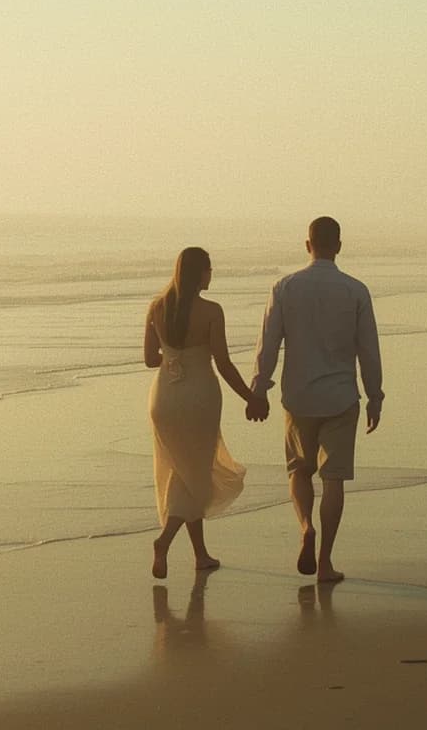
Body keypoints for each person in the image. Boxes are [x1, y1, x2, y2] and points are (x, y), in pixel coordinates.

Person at [246, 217, 383, 583]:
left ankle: (306, 526)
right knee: (333, 480)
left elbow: (268, 344)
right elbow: (368, 349)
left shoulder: (285, 287)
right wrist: (375, 396)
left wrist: (259, 391)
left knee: (299, 470)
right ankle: (325, 562)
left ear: (307, 245)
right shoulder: (356, 290)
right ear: (338, 245)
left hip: (298, 396)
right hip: (340, 396)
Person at [143, 246, 253, 580]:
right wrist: (251, 397)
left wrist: (173, 357)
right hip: (199, 398)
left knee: (184, 472)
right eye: (209, 269)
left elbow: (149, 359)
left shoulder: (157, 307)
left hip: (164, 399)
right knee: (198, 473)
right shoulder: (211, 311)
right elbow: (223, 362)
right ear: (199, 273)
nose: (211, 274)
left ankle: (201, 555)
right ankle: (164, 541)